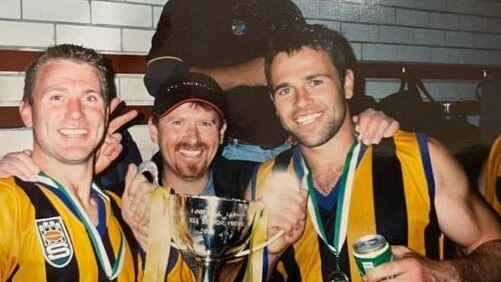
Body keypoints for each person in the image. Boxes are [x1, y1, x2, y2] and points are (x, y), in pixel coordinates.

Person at [251, 24, 501, 281]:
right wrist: (266, 255)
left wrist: (442, 273)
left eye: (315, 81)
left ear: (347, 84)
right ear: (273, 103)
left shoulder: (421, 159)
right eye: (285, 90)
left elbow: (494, 250)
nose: (301, 102)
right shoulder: (262, 182)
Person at [120, 72, 400, 281]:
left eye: (205, 123)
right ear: (154, 130)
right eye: (177, 123)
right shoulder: (128, 202)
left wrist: (362, 123)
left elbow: (322, 165)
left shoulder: (254, 183)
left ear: (221, 132)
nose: (192, 138)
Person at [144, 0, 387, 164]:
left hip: (293, 152)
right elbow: (158, 76)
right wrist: (244, 74)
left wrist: (364, 113)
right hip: (227, 155)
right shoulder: (187, 7)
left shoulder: (282, 8)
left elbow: (316, 69)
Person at [0, 44, 139, 281]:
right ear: (27, 113)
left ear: (105, 115)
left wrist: (154, 246)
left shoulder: (126, 212)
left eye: (89, 97)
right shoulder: (8, 204)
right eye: (57, 97)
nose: (75, 112)